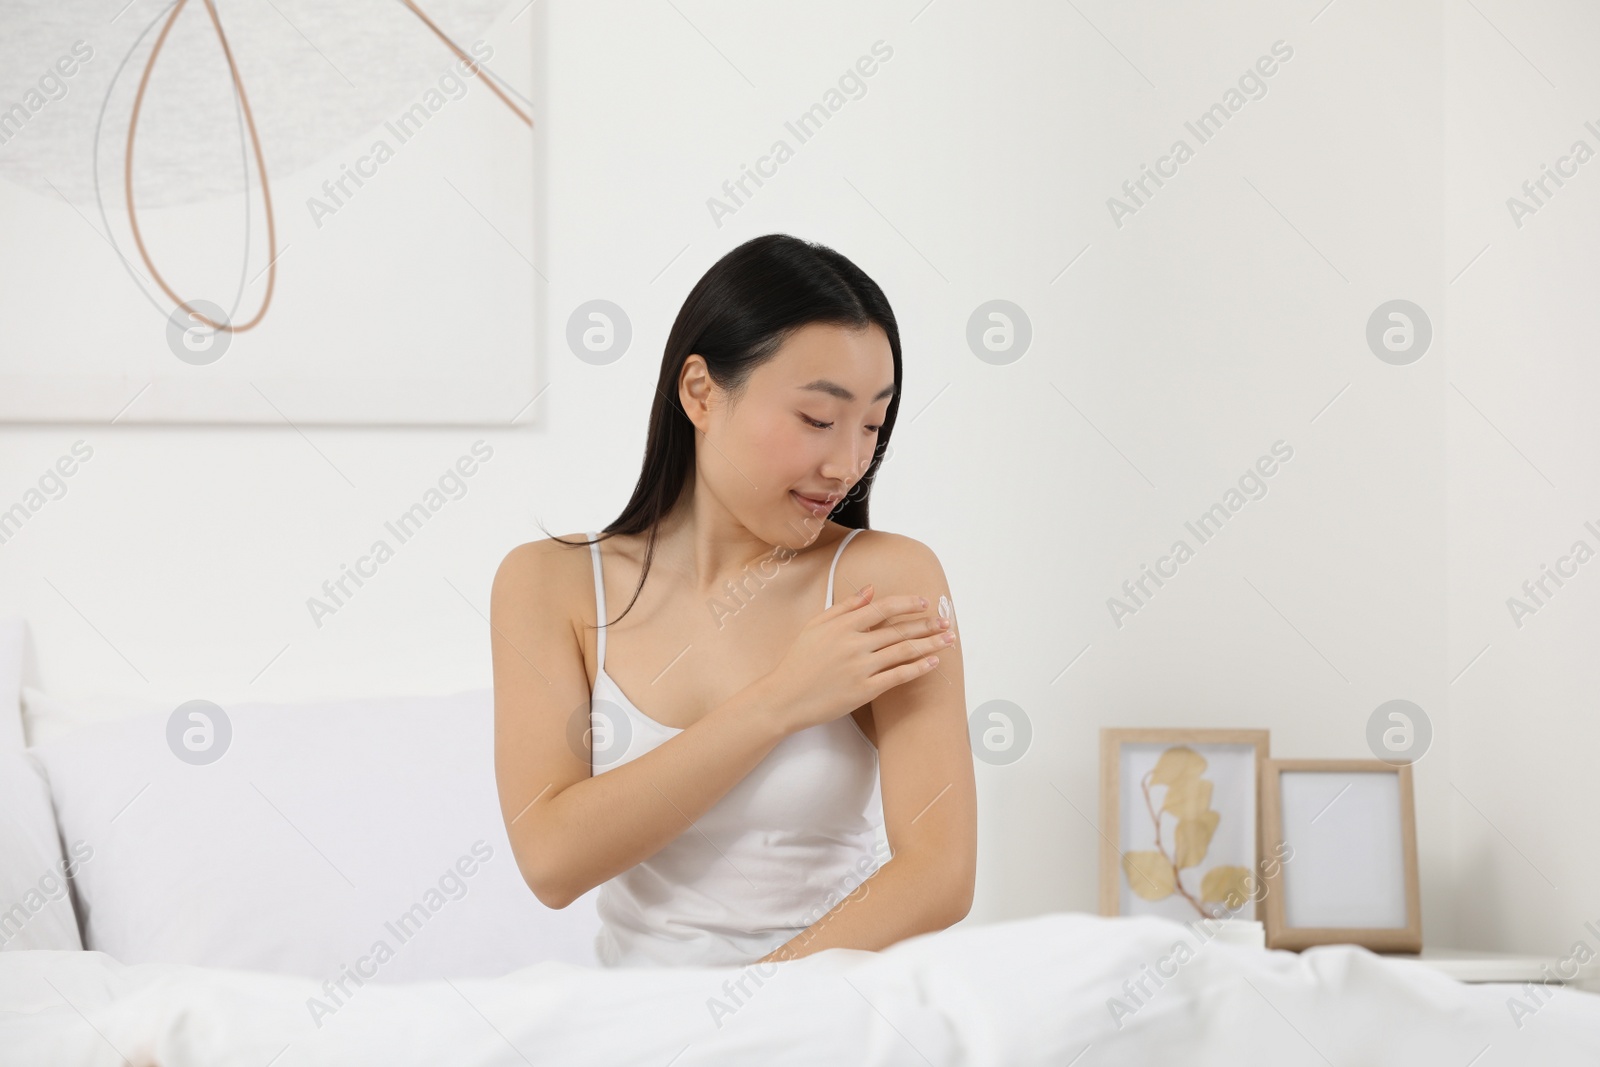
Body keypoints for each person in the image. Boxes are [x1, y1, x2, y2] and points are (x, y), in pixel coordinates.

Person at [490, 234, 976, 967]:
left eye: (872, 425)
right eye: (818, 419)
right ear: (701, 393)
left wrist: (744, 1016)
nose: (847, 463)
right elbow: (551, 860)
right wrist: (783, 698)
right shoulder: (548, 585)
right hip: (637, 1026)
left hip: (826, 1016)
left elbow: (940, 874)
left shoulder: (888, 579)